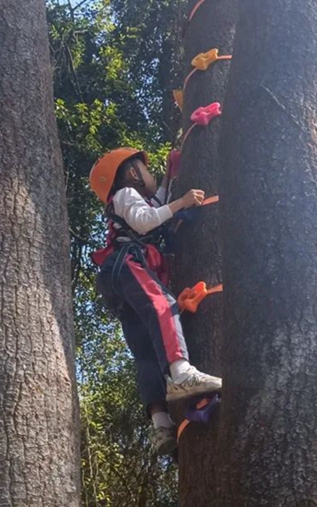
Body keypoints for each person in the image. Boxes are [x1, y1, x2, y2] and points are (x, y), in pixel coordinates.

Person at [89, 148, 223, 456]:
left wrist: (168, 176)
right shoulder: (125, 194)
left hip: (118, 280)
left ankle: (160, 423)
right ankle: (181, 372)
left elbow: (157, 203)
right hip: (128, 264)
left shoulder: (133, 199)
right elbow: (146, 220)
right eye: (146, 171)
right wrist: (182, 202)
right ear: (133, 174)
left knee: (146, 353)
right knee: (163, 304)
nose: (151, 177)